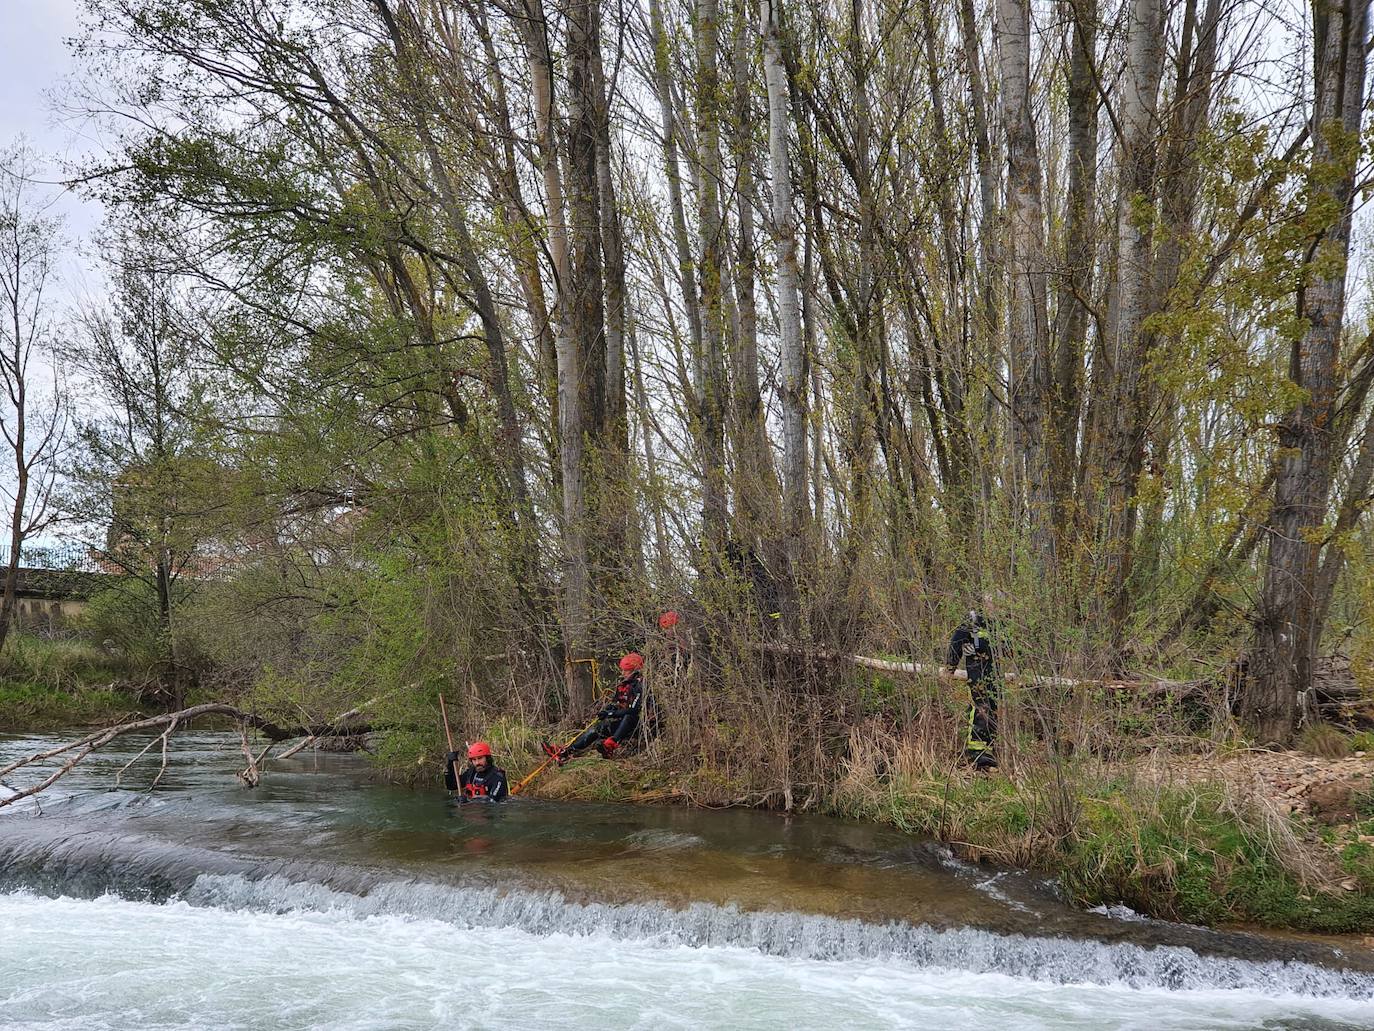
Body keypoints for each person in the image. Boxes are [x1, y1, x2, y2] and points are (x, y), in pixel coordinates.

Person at [544, 652, 645, 764]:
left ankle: (611, 745)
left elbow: (635, 710)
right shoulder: (623, 686)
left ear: (634, 670)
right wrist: (607, 710)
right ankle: (565, 752)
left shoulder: (640, 685)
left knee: (629, 716)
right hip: (623, 724)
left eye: (626, 671)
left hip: (640, 725)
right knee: (597, 729)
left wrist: (611, 714)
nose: (623, 673)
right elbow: (616, 703)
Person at [946, 609, 1003, 770]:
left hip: (995, 669)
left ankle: (988, 749)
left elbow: (1012, 648)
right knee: (981, 705)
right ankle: (977, 752)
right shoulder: (972, 619)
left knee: (993, 706)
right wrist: (951, 666)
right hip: (976, 666)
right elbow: (956, 642)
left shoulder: (1001, 622)